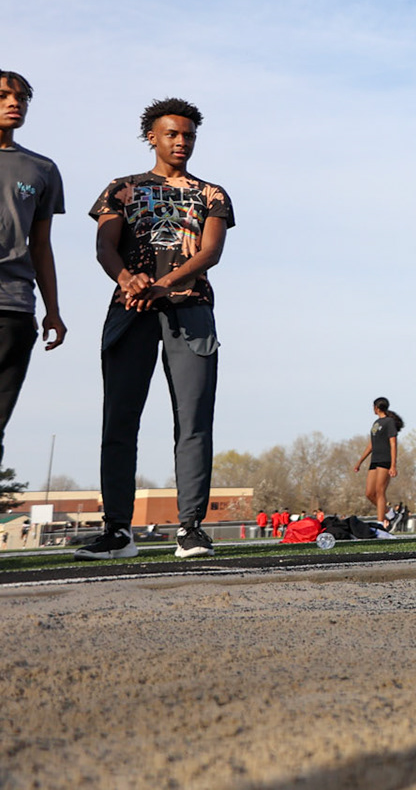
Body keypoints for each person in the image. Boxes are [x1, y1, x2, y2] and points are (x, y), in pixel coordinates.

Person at [77, 98, 233, 562]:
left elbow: (210, 252)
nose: (181, 142)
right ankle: (118, 532)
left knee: (193, 422)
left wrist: (163, 285)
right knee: (120, 421)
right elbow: (105, 246)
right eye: (172, 134)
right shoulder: (121, 189)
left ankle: (190, 530)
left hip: (191, 312)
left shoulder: (213, 193)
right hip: (130, 311)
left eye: (188, 135)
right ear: (153, 137)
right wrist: (130, 280)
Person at [0, 70, 65, 472]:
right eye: (5, 95)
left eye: (22, 97)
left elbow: (41, 245)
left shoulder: (41, 169)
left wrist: (53, 310)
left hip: (15, 309)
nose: (15, 103)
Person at [353, 398, 404, 521]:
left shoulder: (389, 422)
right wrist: (360, 461)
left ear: (376, 407)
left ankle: (380, 524)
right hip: (374, 460)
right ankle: (391, 514)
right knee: (369, 493)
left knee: (380, 492)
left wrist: (393, 465)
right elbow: (371, 444)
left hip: (385, 460)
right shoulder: (376, 423)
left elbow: (393, 444)